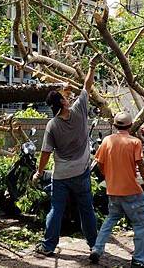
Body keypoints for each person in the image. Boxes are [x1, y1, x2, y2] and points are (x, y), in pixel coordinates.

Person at [33, 57, 99, 256]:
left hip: (61, 175)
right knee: (86, 209)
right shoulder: (79, 110)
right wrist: (92, 66)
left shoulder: (52, 125)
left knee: (56, 209)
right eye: (64, 96)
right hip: (81, 172)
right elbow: (88, 85)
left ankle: (48, 246)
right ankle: (94, 245)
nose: (68, 97)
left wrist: (39, 172)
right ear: (62, 101)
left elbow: (46, 152)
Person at [89, 112, 144, 268]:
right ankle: (140, 261)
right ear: (130, 125)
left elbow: (99, 163)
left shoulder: (106, 140)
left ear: (114, 125)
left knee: (110, 219)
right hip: (132, 191)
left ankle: (97, 249)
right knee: (141, 225)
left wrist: (109, 176)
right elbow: (141, 166)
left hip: (113, 190)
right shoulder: (135, 142)